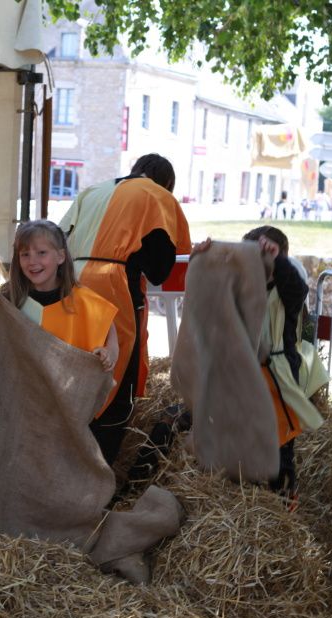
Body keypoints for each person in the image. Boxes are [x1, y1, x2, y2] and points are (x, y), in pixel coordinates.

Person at [59, 154, 192, 465]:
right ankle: (98, 474)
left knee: (73, 371)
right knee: (117, 381)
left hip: (69, 285)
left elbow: (58, 237)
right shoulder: (157, 197)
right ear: (167, 184)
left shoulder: (92, 191)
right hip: (114, 289)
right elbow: (161, 268)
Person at [243, 226, 328, 503]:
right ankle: (249, 493)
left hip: (279, 372)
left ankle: (283, 500)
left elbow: (297, 286)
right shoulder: (244, 285)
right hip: (247, 372)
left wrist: (276, 258)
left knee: (280, 441)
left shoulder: (287, 290)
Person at [1, 219, 119, 375]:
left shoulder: (84, 301)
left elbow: (109, 328)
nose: (32, 261)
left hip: (65, 393)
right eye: (25, 254)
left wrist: (109, 352)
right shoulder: (10, 298)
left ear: (61, 256)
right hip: (23, 391)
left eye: (41, 253)